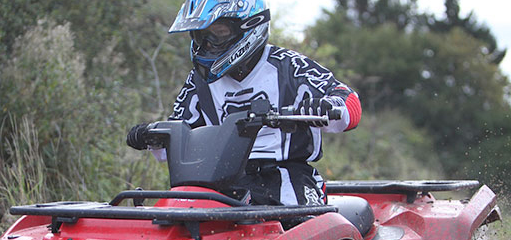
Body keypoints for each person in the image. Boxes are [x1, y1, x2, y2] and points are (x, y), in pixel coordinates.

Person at [127, 0, 361, 206]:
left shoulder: (289, 67)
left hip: (289, 174)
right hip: (222, 177)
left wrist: (327, 106)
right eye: (201, 36)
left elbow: (349, 101)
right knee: (178, 219)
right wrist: (153, 137)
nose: (207, 44)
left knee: (301, 229)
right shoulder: (198, 82)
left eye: (217, 33)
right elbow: (177, 135)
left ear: (248, 27)